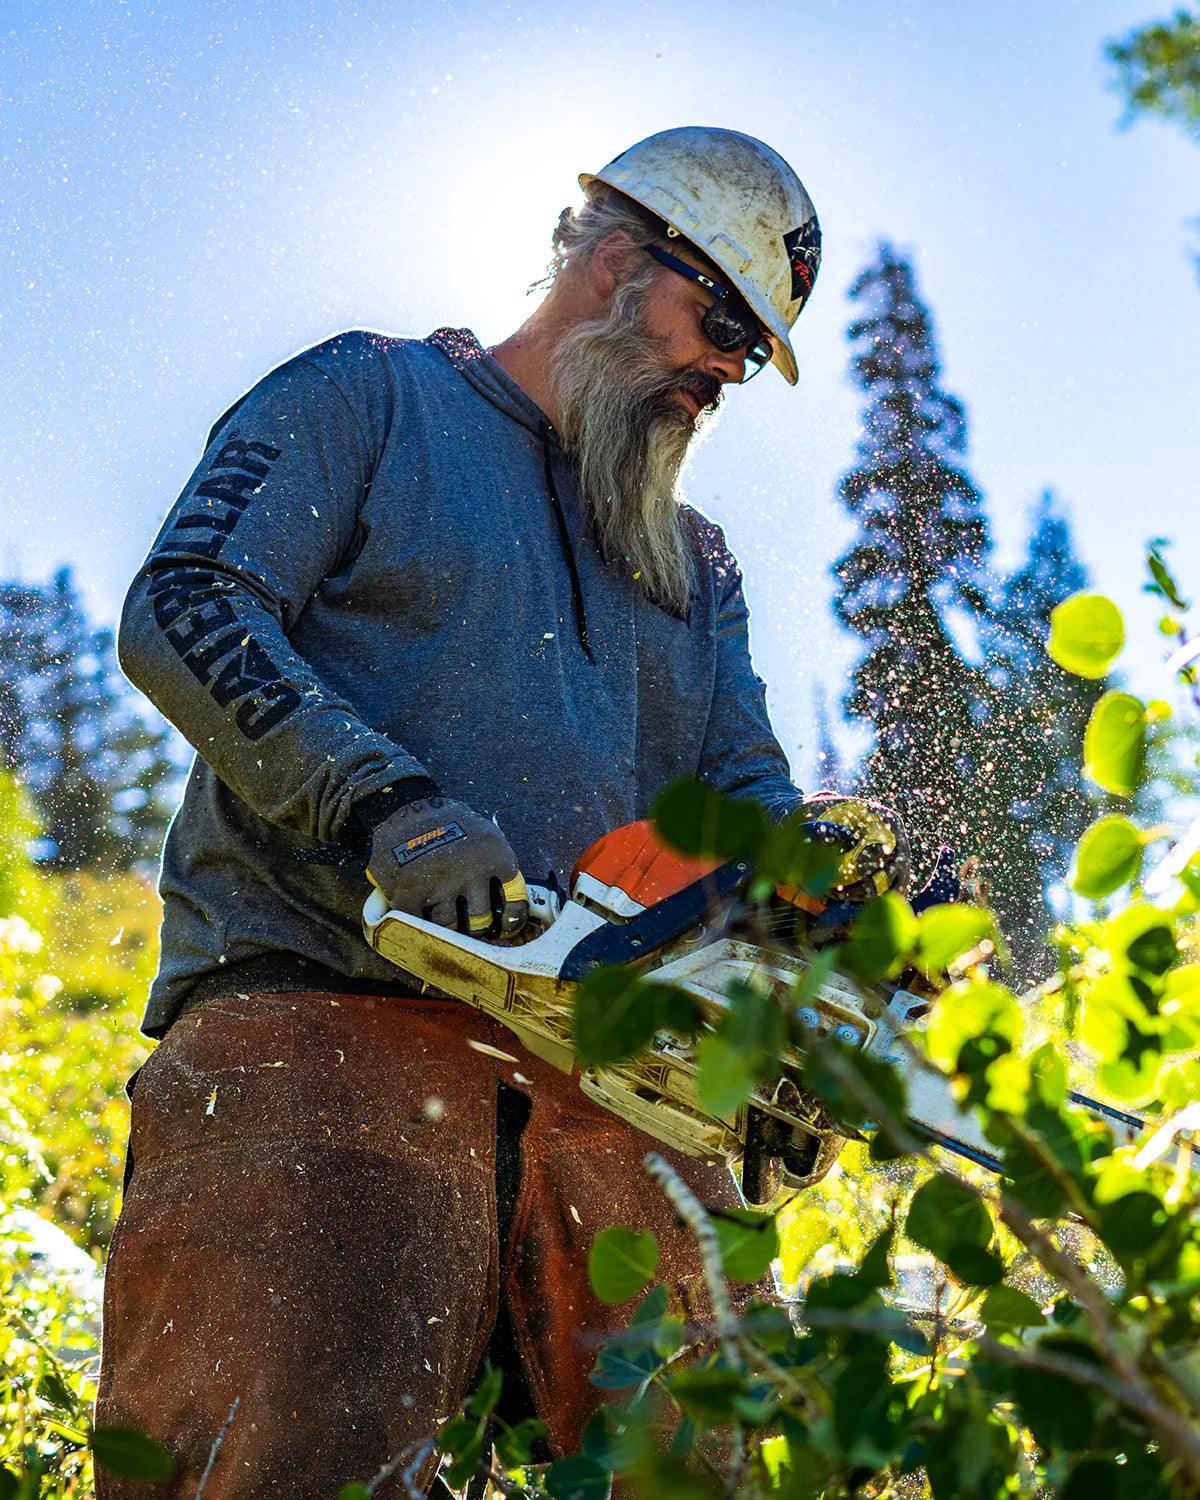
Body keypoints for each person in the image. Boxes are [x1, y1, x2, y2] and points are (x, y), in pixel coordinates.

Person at [95, 126, 842, 1498]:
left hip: (620, 1105)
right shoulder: (369, 401)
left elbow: (739, 797)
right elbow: (188, 603)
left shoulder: (696, 565)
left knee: (697, 1474)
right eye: (722, 316)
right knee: (276, 1465)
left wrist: (807, 942)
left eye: (754, 344)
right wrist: (381, 802)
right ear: (615, 258)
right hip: (323, 1031)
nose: (731, 367)